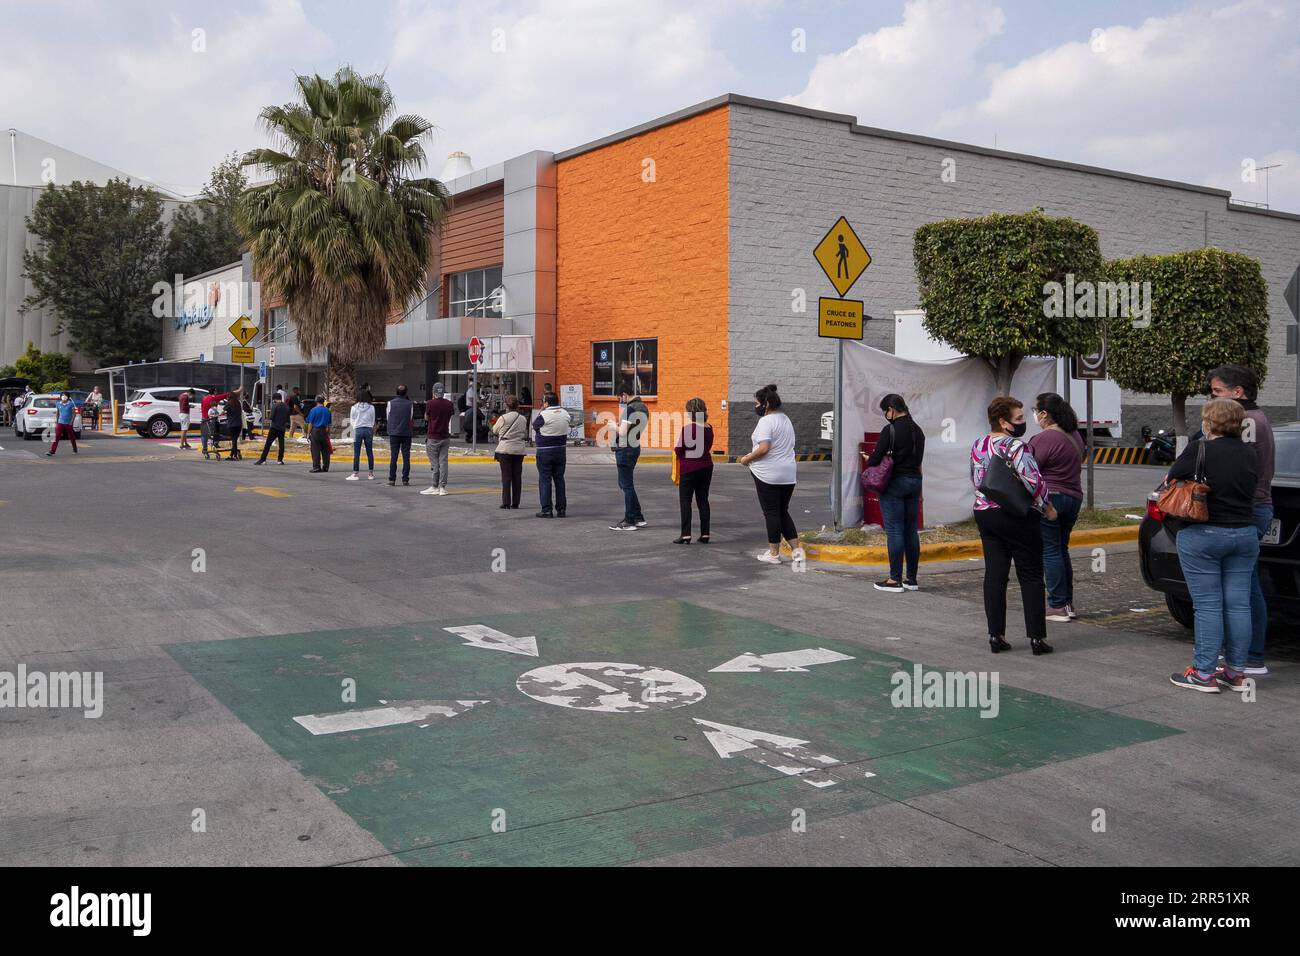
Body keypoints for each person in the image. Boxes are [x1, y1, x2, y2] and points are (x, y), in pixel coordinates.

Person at [1168, 398, 1259, 693]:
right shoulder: (1249, 453)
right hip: (1244, 533)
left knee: (1207, 605)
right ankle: (1235, 671)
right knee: (1238, 604)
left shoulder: (1200, 448)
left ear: (1209, 423)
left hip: (1204, 533)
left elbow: (1172, 477)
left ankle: (1204, 673)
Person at [970, 397, 1057, 655]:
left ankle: (996, 635)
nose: (1022, 423)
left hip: (985, 514)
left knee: (995, 576)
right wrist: (1047, 507)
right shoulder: (1017, 446)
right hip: (1017, 516)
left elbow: (976, 478)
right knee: (1030, 576)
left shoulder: (979, 444)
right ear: (1003, 422)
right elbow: (1033, 480)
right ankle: (1036, 639)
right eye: (1018, 419)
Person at [1208, 365, 1274, 677]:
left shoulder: (1247, 422)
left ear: (1238, 392)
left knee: (1244, 589)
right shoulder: (1258, 418)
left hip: (1245, 511)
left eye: (1217, 392)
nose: (1212, 399)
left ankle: (1249, 656)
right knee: (1242, 587)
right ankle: (1243, 655)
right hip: (1253, 509)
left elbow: (1231, 465)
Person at [1028, 392, 1086, 622]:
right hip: (1074, 498)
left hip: (1051, 499)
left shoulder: (1044, 439)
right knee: (1061, 549)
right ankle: (1066, 602)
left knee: (1050, 550)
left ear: (1044, 413)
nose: (1034, 415)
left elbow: (1029, 469)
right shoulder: (1075, 436)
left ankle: (1056, 605)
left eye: (1035, 410)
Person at [864, 394, 926, 592]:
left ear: (892, 409)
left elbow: (875, 460)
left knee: (894, 530)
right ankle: (912, 579)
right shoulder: (918, 431)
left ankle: (894, 579)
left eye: (885, 411)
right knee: (910, 530)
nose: (885, 415)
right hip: (914, 482)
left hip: (894, 484)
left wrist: (868, 457)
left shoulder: (890, 430)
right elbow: (918, 461)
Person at [739, 384, 803, 565]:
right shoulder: (785, 419)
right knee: (783, 512)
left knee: (772, 513)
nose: (755, 406)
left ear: (765, 404)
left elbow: (764, 448)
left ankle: (774, 553)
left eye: (756, 403)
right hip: (788, 474)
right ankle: (797, 552)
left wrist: (746, 459)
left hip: (768, 474)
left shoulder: (766, 422)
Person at [673, 397, 714, 544]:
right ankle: (705, 534)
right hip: (706, 466)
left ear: (691, 412)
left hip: (689, 468)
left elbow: (678, 449)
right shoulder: (709, 427)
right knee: (703, 500)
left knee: (685, 501)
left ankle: (685, 534)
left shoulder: (688, 429)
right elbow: (708, 446)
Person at [609, 389, 649, 531]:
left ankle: (629, 520)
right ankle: (638, 517)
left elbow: (623, 431)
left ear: (624, 394)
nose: (620, 401)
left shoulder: (630, 409)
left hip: (625, 449)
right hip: (634, 447)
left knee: (626, 485)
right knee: (626, 484)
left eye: (620, 398)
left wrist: (613, 426)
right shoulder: (643, 407)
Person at [533, 392, 570, 517]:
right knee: (559, 479)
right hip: (560, 450)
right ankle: (561, 509)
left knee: (545, 479)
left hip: (545, 450)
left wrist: (543, 410)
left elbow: (535, 426)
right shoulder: (565, 413)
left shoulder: (544, 414)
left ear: (546, 403)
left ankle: (547, 509)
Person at [492, 396, 529, 509]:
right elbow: (525, 432)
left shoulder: (503, 418)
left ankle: (506, 502)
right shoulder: (523, 418)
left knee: (506, 476)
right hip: (519, 449)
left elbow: (494, 430)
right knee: (517, 477)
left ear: (506, 406)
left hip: (505, 449)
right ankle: (516, 503)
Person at [421, 383, 456, 495]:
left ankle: (434, 486)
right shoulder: (449, 404)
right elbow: (450, 415)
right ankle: (443, 487)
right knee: (443, 462)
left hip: (433, 436)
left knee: (435, 463)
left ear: (433, 392)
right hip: (445, 436)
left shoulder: (430, 403)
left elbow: (426, 417)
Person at [386, 384, 414, 486]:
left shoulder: (390, 403)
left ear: (396, 392)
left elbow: (388, 417)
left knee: (394, 456)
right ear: (406, 392)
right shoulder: (410, 404)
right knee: (406, 457)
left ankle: (392, 479)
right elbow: (410, 417)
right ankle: (405, 479)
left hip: (394, 433)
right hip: (406, 433)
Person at [348, 390, 376, 480]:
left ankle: (355, 473)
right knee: (369, 452)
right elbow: (373, 419)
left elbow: (352, 419)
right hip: (368, 429)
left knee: (357, 453)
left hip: (358, 430)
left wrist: (355, 426)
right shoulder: (371, 407)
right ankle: (370, 474)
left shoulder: (354, 407)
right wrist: (370, 426)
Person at [255, 394, 290, 465]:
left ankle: (263, 459)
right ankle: (280, 460)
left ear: (275, 399)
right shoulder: (286, 406)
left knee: (268, 444)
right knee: (281, 444)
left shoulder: (275, 406)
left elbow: (271, 417)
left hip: (274, 427)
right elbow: (287, 418)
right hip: (282, 428)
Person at [200, 388, 232, 459]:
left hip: (205, 419)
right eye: (216, 391)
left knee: (205, 434)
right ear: (214, 392)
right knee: (215, 432)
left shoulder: (204, 398)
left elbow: (202, 408)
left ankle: (205, 449)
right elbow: (226, 395)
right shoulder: (214, 397)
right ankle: (215, 444)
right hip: (212, 420)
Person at [45, 391, 79, 456]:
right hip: (60, 423)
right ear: (60, 397)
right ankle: (52, 451)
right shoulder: (58, 404)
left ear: (68, 397)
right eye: (62, 396)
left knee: (71, 436)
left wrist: (71, 422)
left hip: (68, 423)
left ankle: (75, 448)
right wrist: (57, 421)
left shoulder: (71, 404)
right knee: (57, 436)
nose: (64, 397)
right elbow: (58, 413)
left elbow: (74, 414)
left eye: (65, 396)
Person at [306, 394, 332, 472]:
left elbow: (310, 423)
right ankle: (326, 466)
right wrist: (328, 432)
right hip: (324, 431)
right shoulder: (327, 410)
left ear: (316, 401)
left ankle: (316, 467)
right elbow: (329, 424)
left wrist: (308, 433)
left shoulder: (313, 410)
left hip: (315, 431)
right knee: (325, 450)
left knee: (315, 449)